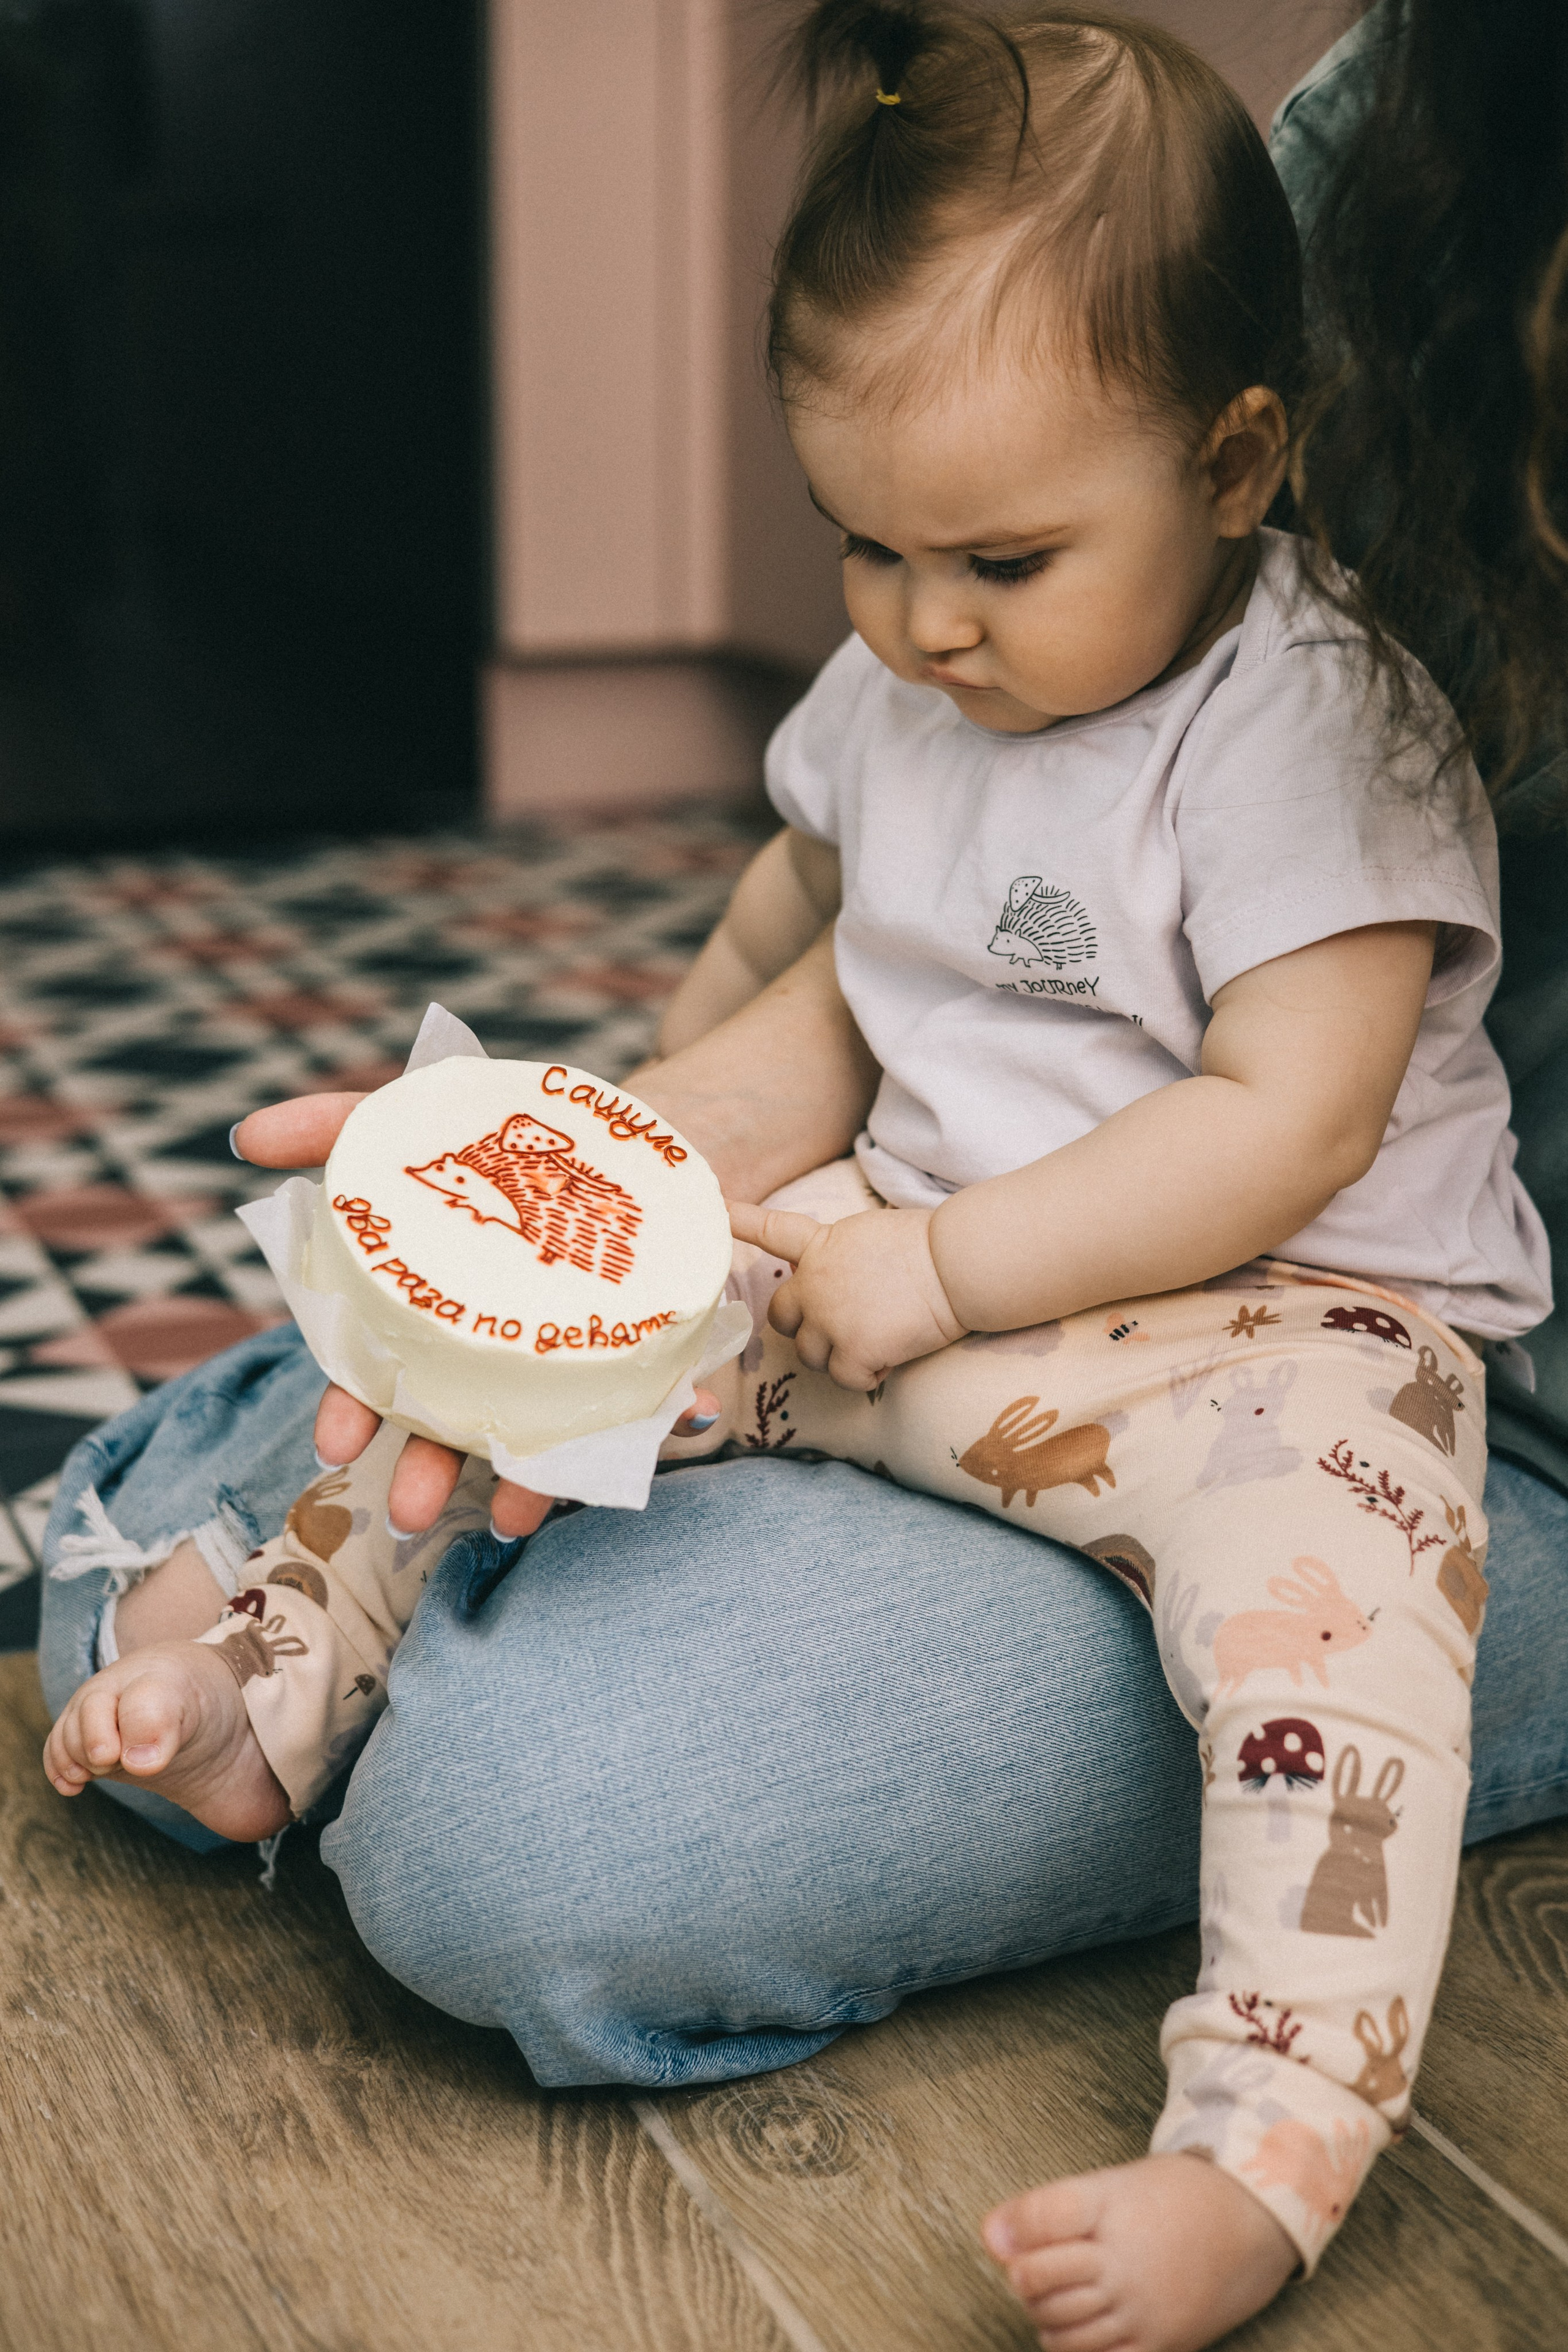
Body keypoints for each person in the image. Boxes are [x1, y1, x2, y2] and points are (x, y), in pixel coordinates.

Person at [33, 6, 1568, 2349]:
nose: (925, 622)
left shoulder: (1317, 723)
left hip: (1269, 1331)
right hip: (911, 1274)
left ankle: (1268, 2131)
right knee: (496, 1375)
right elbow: (800, 944)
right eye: (861, 539)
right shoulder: (924, 674)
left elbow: (1298, 1120)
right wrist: (594, 1180)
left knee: (1328, 1644)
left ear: (1242, 457)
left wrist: (949, 1262)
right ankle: (273, 1677)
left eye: (1003, 555)